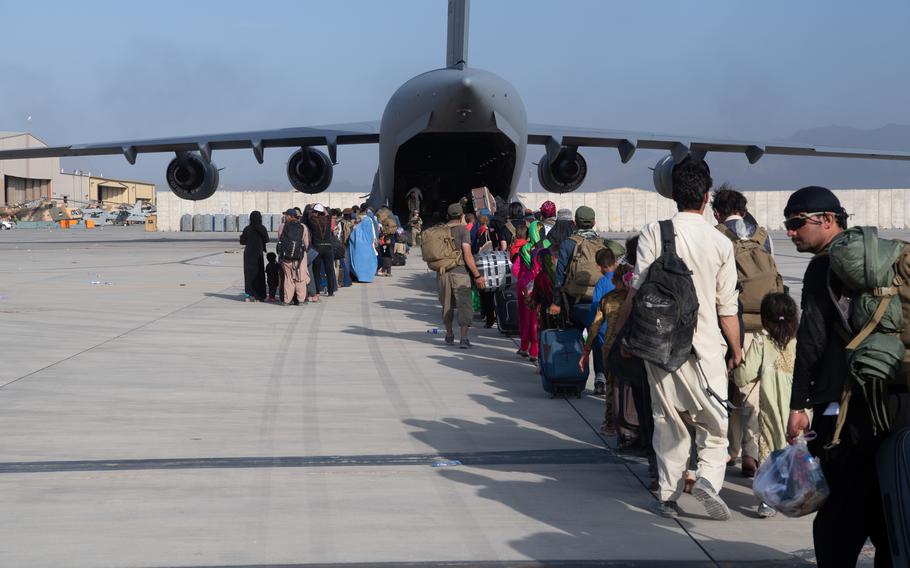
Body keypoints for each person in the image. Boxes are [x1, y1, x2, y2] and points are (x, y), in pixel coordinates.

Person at [782, 185, 909, 566]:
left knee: (841, 510)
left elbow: (811, 343)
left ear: (828, 220)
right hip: (898, 397)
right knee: (891, 500)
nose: (790, 231)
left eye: (797, 223)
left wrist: (798, 404)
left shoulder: (825, 266)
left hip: (849, 407)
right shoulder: (887, 259)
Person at [617, 156, 741, 520]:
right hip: (705, 349)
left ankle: (668, 496)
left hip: (660, 346)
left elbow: (636, 291)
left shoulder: (655, 232)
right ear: (706, 197)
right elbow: (726, 308)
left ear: (673, 195)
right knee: (715, 425)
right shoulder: (721, 244)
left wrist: (623, 335)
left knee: (668, 422)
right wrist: (735, 348)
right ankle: (707, 481)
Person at [712, 185, 779, 477]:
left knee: (726, 389)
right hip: (763, 325)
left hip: (727, 324)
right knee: (751, 389)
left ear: (717, 211)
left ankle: (733, 449)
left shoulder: (715, 235)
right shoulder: (763, 237)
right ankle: (751, 452)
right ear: (744, 208)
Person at [733, 292, 797, 518]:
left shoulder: (761, 342)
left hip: (771, 413)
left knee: (770, 454)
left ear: (765, 319)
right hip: (799, 413)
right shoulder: (799, 343)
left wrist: (736, 366)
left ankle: (769, 503)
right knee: (796, 454)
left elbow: (744, 376)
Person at [548, 205, 608, 393]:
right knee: (598, 338)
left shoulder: (569, 243)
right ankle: (600, 378)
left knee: (573, 337)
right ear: (594, 222)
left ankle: (573, 376)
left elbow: (559, 276)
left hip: (575, 301)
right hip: (599, 301)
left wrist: (556, 302)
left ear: (575, 223)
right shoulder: (603, 243)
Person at [437, 203, 485, 348]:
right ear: (461, 215)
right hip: (460, 273)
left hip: (443, 273)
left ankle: (449, 334)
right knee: (464, 305)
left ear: (447, 215)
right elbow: (468, 255)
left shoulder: (440, 230)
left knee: (446, 305)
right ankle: (463, 338)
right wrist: (477, 275)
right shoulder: (463, 230)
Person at [580, 247, 619, 397]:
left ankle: (600, 380)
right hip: (621, 329)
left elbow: (595, 308)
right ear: (615, 262)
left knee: (598, 347)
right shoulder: (624, 279)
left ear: (599, 266)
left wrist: (590, 326)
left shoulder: (602, 283)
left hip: (604, 329)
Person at [277, 208, 310, 305]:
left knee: (288, 279)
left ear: (289, 216)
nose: (285, 217)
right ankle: (300, 300)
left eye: (286, 215)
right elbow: (306, 243)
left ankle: (287, 300)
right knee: (300, 278)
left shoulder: (282, 226)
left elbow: (280, 239)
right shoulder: (303, 227)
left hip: (286, 257)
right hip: (300, 257)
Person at [239, 210, 269, 302]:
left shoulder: (247, 228)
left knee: (248, 274)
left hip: (248, 254)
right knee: (259, 274)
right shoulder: (262, 228)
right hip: (258, 254)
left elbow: (242, 241)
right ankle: (259, 296)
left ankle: (248, 295)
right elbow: (267, 239)